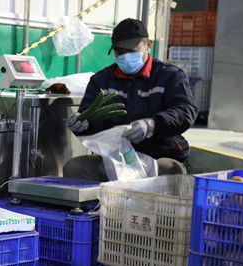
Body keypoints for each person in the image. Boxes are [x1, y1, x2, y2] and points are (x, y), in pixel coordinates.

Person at [63, 18, 198, 181]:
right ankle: (101, 198)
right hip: (117, 159)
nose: (125, 57)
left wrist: (152, 125)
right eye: (120, 52)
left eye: (132, 50)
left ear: (148, 45)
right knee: (75, 168)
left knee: (168, 171)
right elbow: (90, 119)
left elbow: (185, 111)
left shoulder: (170, 76)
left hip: (161, 155)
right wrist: (82, 125)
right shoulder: (101, 81)